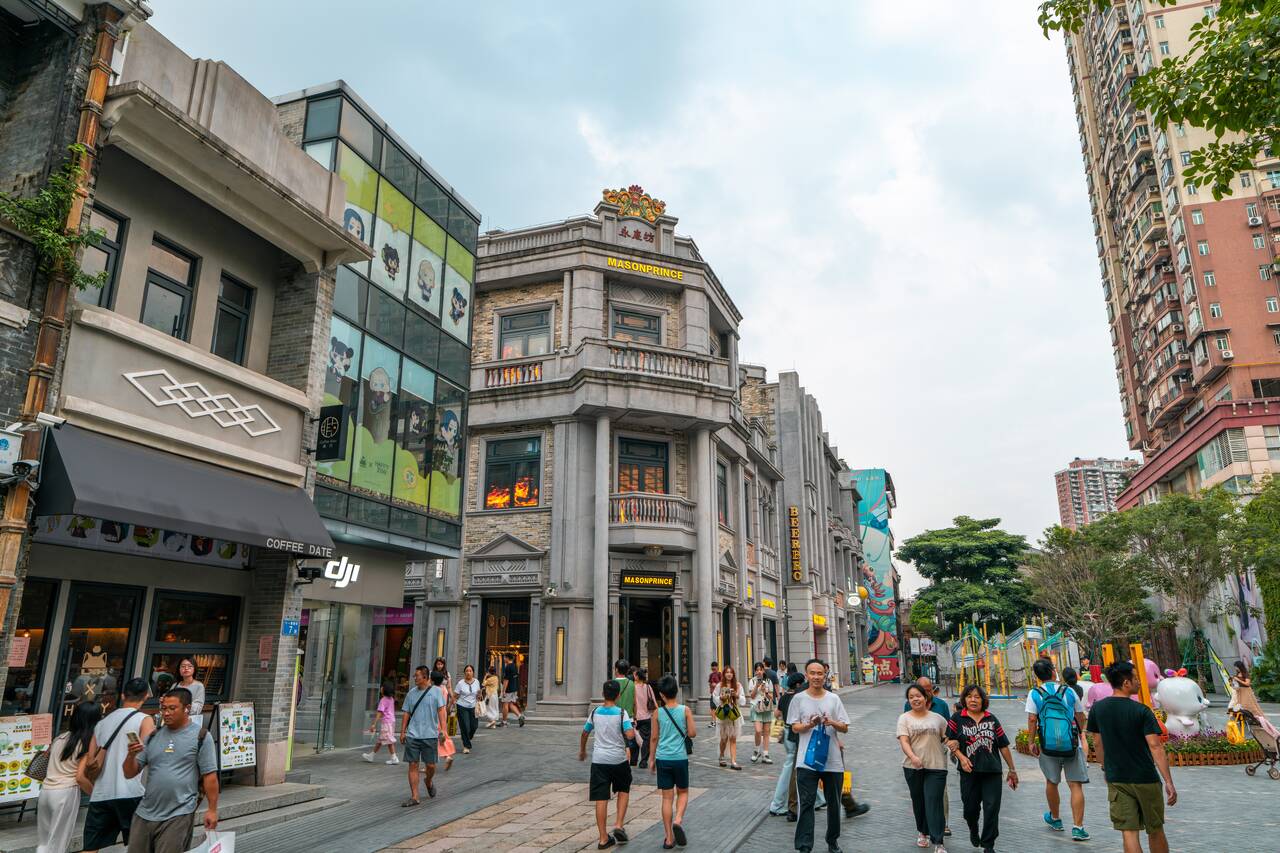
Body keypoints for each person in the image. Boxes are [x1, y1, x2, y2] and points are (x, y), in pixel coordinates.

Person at [1086, 662, 1177, 853]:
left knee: (1128, 832)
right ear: (1126, 683)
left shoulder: (1098, 709)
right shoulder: (1141, 711)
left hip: (1117, 778)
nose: (1138, 682)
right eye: (1135, 679)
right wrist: (1168, 781)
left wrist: (1105, 768)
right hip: (1145, 778)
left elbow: (1097, 742)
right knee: (1155, 830)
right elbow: (1155, 746)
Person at [123, 688, 218, 853]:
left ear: (186, 708)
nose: (166, 713)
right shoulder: (153, 736)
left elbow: (210, 777)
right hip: (144, 813)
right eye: (164, 708)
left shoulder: (201, 736)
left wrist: (212, 809)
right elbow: (129, 773)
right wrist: (130, 756)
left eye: (172, 708)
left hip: (178, 814)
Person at [79, 678, 154, 853]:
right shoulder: (145, 720)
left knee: (91, 847)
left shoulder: (102, 723)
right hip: (131, 791)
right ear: (146, 696)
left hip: (101, 794)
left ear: (122, 696)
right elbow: (146, 753)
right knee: (138, 845)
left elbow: (91, 760)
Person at [945, 684, 1018, 853]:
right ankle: (973, 828)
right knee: (970, 809)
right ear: (964, 699)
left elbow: (1004, 745)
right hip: (969, 772)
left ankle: (988, 844)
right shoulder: (957, 718)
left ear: (983, 700)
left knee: (992, 808)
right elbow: (948, 741)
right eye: (969, 696)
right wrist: (961, 758)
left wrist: (1012, 770)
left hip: (992, 771)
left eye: (977, 697)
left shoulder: (991, 719)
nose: (973, 700)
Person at [787, 659, 850, 853]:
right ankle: (804, 845)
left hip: (832, 761)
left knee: (833, 804)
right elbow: (794, 727)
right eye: (812, 673)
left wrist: (831, 722)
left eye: (819, 673)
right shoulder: (798, 699)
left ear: (825, 675)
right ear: (806, 675)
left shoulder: (833, 699)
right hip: (806, 760)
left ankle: (832, 842)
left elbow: (845, 727)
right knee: (806, 804)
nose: (816, 676)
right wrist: (809, 725)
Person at [1026, 657, 1090, 841]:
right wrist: (1080, 732)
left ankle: (1055, 819)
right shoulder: (1068, 691)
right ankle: (1078, 827)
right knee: (1075, 784)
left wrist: (1031, 742)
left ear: (1037, 676)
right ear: (1053, 671)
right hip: (1071, 743)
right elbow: (1080, 715)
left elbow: (1032, 720)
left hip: (1048, 745)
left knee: (1052, 782)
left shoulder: (1034, 693)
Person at [579, 679, 637, 850]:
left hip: (599, 760)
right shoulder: (621, 713)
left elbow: (584, 733)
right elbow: (630, 735)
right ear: (618, 695)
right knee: (624, 790)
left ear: (603, 694)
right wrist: (631, 730)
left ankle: (603, 838)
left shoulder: (595, 712)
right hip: (618, 759)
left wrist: (582, 751)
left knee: (601, 798)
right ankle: (619, 824)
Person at [37, 700, 100, 853]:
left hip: (46, 791)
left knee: (44, 842)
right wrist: (96, 794)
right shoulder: (88, 742)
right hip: (66, 792)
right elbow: (80, 777)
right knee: (58, 842)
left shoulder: (60, 738)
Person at [898, 682, 949, 853]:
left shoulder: (937, 718)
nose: (915, 699)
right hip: (912, 767)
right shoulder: (904, 718)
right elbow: (904, 741)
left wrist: (955, 747)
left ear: (925, 697)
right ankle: (922, 832)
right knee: (918, 801)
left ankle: (938, 842)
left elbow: (948, 738)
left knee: (933, 801)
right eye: (911, 697)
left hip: (937, 766)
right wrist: (913, 757)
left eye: (918, 696)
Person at [650, 674, 694, 849]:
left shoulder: (657, 713)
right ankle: (678, 820)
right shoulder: (685, 710)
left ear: (661, 695)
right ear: (676, 691)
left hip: (663, 758)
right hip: (680, 758)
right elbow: (692, 733)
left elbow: (653, 738)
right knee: (682, 792)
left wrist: (652, 759)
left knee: (666, 798)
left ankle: (668, 838)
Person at [398, 666, 447, 807]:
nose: (414, 678)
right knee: (413, 765)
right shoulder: (411, 694)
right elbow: (406, 713)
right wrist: (403, 732)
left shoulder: (436, 692)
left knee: (430, 766)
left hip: (430, 735)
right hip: (413, 735)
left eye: (417, 676)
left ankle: (428, 781)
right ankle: (415, 796)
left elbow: (441, 711)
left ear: (425, 677)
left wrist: (443, 730)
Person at [770, 672, 808, 820]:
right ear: (798, 684)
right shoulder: (798, 697)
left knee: (799, 767)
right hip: (794, 735)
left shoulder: (785, 696)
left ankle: (819, 799)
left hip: (787, 733)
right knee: (792, 768)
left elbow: (776, 714)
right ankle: (778, 804)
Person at [1230, 660, 1280, 738]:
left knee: (1251, 707)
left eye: (1236, 667)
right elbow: (1236, 684)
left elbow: (1247, 684)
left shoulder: (1245, 673)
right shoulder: (1237, 674)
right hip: (1240, 692)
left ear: (1239, 666)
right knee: (1242, 708)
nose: (1235, 668)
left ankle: (1262, 722)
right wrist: (1232, 682)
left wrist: (1238, 679)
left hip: (1246, 692)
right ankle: (1247, 723)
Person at [713, 665, 746, 770]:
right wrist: (721, 698)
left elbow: (743, 700)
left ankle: (733, 761)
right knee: (723, 738)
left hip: (733, 715)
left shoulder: (738, 685)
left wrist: (736, 695)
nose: (729, 674)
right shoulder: (719, 686)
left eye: (731, 672)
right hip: (723, 714)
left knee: (733, 738)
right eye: (727, 672)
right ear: (724, 674)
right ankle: (721, 756)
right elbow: (714, 698)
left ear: (733, 674)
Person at [364, 682, 399, 764]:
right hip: (391, 721)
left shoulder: (383, 700)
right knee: (381, 740)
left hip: (386, 722)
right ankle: (371, 755)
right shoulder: (391, 699)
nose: (381, 688)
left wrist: (374, 724)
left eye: (382, 687)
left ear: (384, 689)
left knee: (389, 740)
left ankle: (394, 757)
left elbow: (380, 712)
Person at [749, 661, 777, 764]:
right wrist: (757, 686)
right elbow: (751, 696)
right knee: (758, 730)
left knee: (766, 731)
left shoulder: (768, 681)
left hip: (766, 707)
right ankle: (756, 750)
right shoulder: (752, 681)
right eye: (757, 670)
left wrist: (765, 691)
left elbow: (771, 697)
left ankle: (765, 753)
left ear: (763, 670)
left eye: (761, 669)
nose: (759, 671)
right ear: (755, 671)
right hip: (756, 707)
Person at [632, 668, 657, 768]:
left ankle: (633, 760)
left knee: (635, 738)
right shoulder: (648, 687)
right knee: (646, 739)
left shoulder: (632, 687)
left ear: (637, 676)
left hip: (636, 717)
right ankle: (643, 761)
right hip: (646, 716)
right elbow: (654, 701)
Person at [454, 664, 482, 753]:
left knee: (474, 726)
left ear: (473, 672)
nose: (468, 673)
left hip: (473, 707)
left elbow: (478, 695)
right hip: (462, 706)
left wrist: (480, 695)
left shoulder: (477, 682)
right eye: (467, 671)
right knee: (465, 726)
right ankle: (466, 746)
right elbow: (455, 696)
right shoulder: (460, 683)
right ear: (464, 673)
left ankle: (466, 737)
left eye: (470, 671)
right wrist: (450, 706)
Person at [500, 652, 524, 728]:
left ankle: (504, 722)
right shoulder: (515, 666)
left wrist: (503, 691)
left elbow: (506, 680)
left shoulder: (508, 667)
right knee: (510, 704)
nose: (504, 659)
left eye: (504, 657)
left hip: (508, 689)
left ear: (507, 658)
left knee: (505, 705)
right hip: (514, 688)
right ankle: (520, 716)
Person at [707, 661, 723, 728]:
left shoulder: (720, 674)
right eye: (712, 666)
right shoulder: (711, 675)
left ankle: (718, 721)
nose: (713, 667)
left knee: (718, 708)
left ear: (717, 667)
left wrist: (715, 685)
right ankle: (713, 721)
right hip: (713, 694)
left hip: (718, 694)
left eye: (715, 666)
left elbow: (722, 684)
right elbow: (710, 683)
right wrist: (711, 689)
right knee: (712, 708)